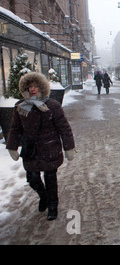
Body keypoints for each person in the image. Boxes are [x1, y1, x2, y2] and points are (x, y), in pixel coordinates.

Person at [6, 72, 75, 221]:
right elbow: (15, 128)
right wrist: (12, 146)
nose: (33, 89)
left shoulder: (52, 106)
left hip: (49, 148)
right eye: (30, 86)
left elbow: (64, 128)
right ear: (25, 88)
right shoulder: (20, 106)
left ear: (42, 88)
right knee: (32, 178)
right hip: (30, 150)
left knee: (50, 178)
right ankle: (43, 196)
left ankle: (52, 206)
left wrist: (68, 147)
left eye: (36, 86)